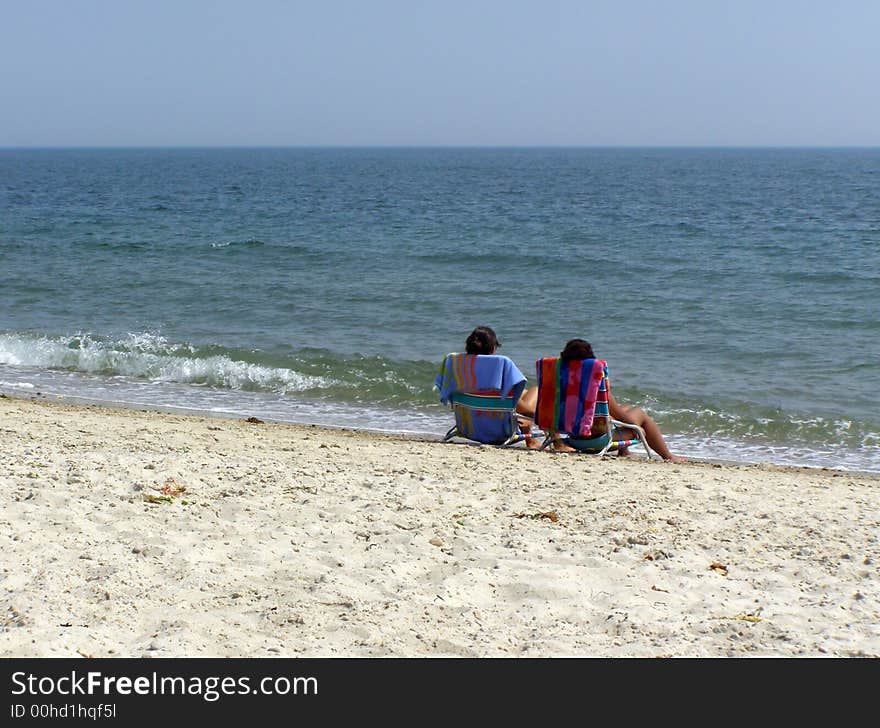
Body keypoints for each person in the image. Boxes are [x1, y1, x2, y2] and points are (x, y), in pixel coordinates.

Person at [517, 338, 686, 462]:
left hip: (573, 438)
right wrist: (638, 427)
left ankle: (624, 452)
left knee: (624, 407)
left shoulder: (558, 387)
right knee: (639, 415)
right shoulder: (595, 387)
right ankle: (668, 456)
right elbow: (624, 419)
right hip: (599, 441)